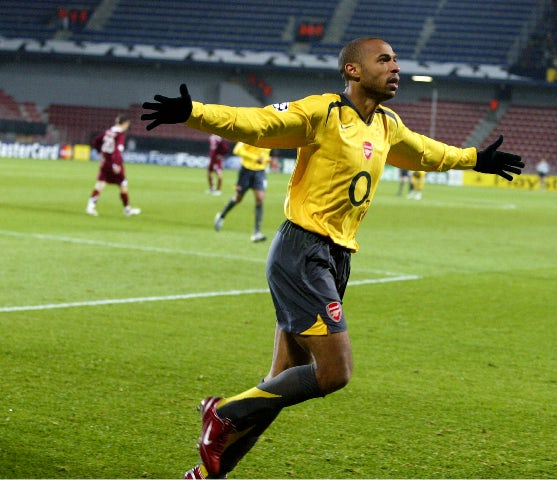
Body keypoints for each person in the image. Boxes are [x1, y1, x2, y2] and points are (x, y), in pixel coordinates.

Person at [141, 37, 524, 479]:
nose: (395, 67)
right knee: (335, 371)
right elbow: (259, 125)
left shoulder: (385, 125)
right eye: (384, 60)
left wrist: (475, 158)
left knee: (282, 382)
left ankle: (208, 474)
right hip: (303, 250)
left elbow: (424, 151)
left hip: (334, 257)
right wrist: (194, 113)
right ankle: (223, 413)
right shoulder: (323, 112)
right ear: (353, 71)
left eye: (397, 60)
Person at [213, 141, 272, 242]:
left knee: (260, 199)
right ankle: (221, 215)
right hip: (246, 171)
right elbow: (237, 150)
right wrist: (255, 158)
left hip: (260, 172)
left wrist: (267, 160)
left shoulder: (271, 138)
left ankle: (257, 233)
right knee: (238, 198)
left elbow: (264, 155)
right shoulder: (250, 135)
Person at [86, 114, 141, 217]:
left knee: (100, 185)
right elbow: (117, 151)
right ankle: (127, 209)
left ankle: (90, 206)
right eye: (127, 124)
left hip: (105, 162)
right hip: (114, 163)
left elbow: (95, 141)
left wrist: (99, 152)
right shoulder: (120, 135)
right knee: (123, 185)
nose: (127, 126)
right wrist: (116, 164)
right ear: (124, 123)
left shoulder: (108, 132)